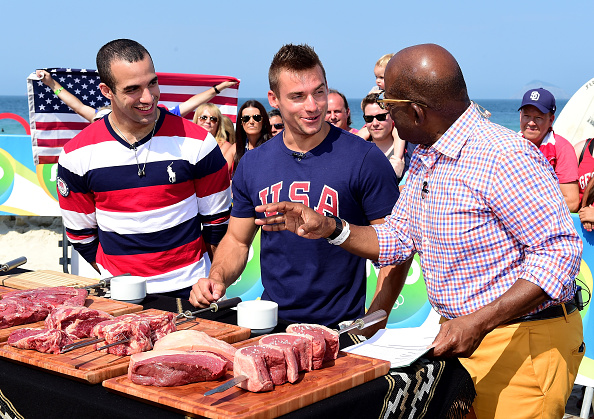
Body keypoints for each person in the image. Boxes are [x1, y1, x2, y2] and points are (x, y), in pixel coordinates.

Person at [254, 44, 584, 418]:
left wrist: (478, 322)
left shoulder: (505, 156)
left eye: (389, 106)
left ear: (415, 111)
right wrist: (330, 227)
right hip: (461, 336)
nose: (386, 117)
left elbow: (559, 254)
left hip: (522, 341)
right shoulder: (427, 157)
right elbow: (396, 239)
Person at [190, 43, 410, 334]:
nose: (313, 106)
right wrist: (217, 278)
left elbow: (396, 249)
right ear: (275, 99)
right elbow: (238, 241)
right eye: (297, 96)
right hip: (269, 325)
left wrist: (372, 322)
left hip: (339, 329)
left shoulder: (365, 159)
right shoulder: (253, 163)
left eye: (319, 92)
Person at [57, 39, 231, 299]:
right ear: (106, 91)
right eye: (133, 89)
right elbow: (81, 235)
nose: (148, 97)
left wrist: (208, 280)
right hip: (118, 294)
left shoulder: (198, 142)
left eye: (152, 82)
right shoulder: (76, 154)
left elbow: (217, 223)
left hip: (193, 292)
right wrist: (116, 278)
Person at [36, 69, 237, 121]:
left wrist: (218, 89)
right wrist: (51, 83)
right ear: (108, 93)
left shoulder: (159, 117)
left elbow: (191, 103)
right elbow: (77, 106)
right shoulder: (101, 118)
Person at [519, 88, 580, 212]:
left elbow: (572, 202)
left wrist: (527, 208)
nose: (531, 123)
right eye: (526, 116)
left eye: (538, 117)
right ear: (520, 116)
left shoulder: (561, 148)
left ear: (551, 120)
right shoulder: (509, 144)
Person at [361, 93, 406, 181]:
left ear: (392, 116)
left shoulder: (408, 150)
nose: (375, 123)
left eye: (381, 117)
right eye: (369, 119)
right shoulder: (360, 151)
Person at [225, 100, 271, 177]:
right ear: (241, 123)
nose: (251, 121)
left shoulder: (272, 146)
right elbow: (219, 173)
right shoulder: (236, 148)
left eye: (257, 117)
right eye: (246, 118)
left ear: (263, 121)